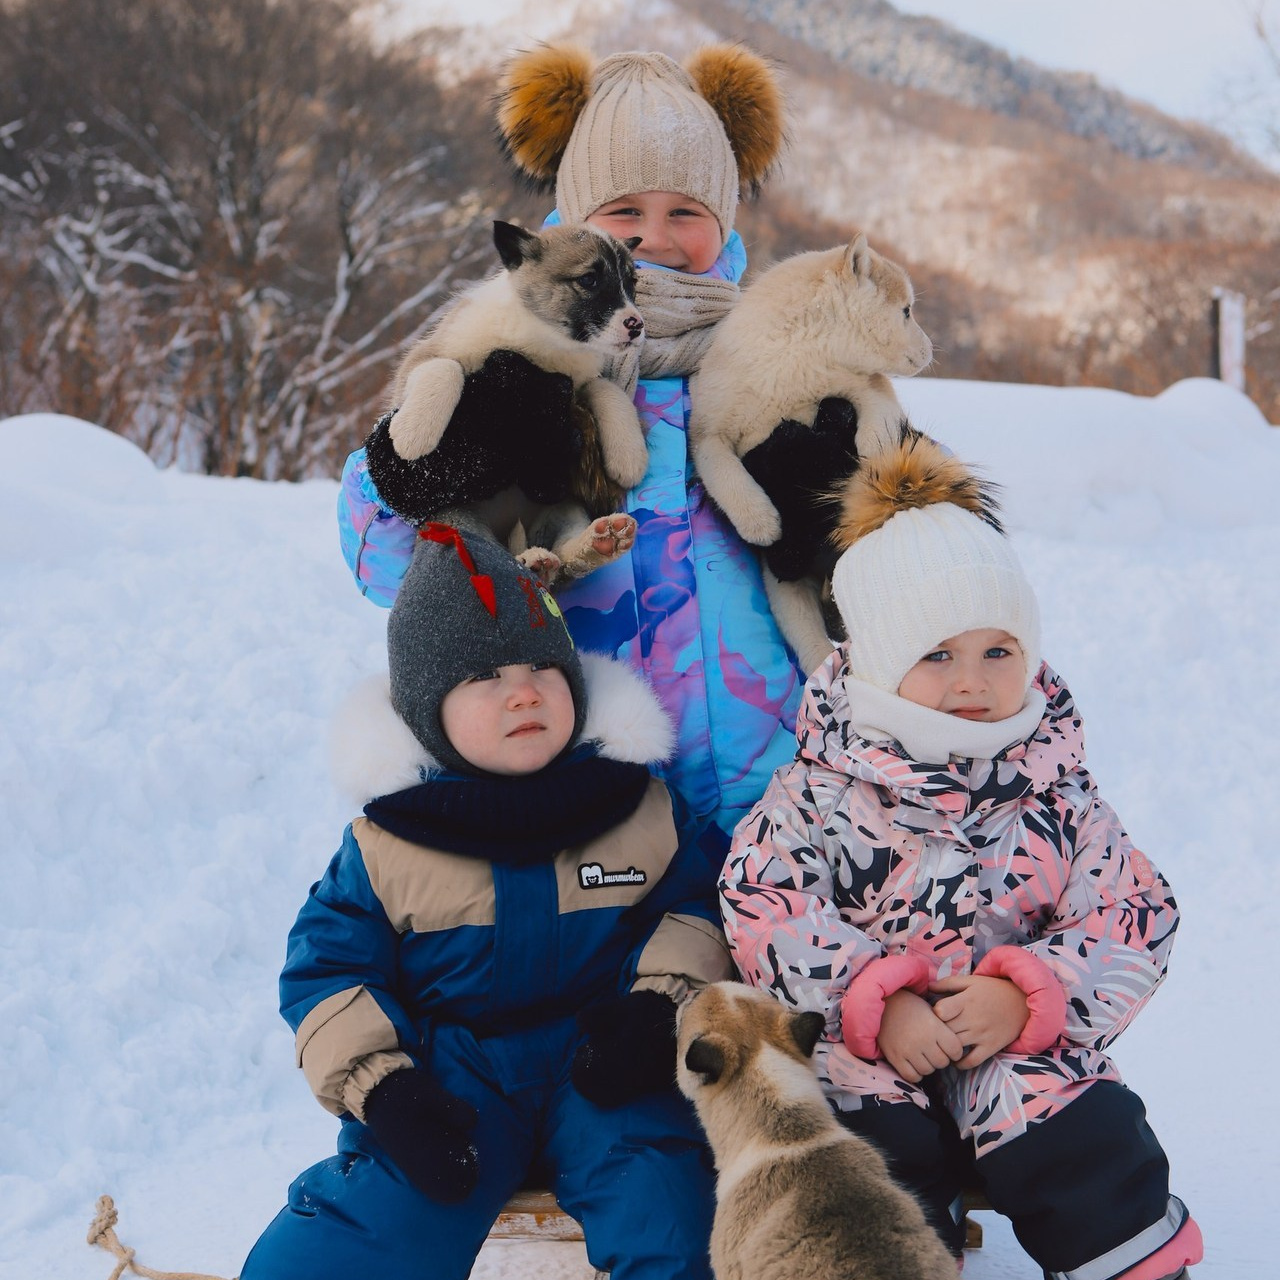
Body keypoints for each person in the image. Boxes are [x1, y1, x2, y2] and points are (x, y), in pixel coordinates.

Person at [719, 430, 1203, 1280]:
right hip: (870, 1053)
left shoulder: (1057, 788)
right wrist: (873, 998)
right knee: (852, 1146)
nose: (972, 681)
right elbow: (765, 902)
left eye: (997, 651)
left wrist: (1029, 996)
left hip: (1011, 1053)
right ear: (874, 661)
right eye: (936, 655)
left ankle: (1129, 1262)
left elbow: (1135, 912)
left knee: (1083, 1127)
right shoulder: (822, 788)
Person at [337, 43, 804, 854]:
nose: (653, 239)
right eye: (624, 210)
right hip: (579, 797)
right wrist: (405, 475)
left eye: (685, 212)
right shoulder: (505, 344)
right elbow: (387, 573)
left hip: (771, 798)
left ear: (724, 219)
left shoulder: (773, 361)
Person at [241, 523, 734, 1280]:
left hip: (605, 1066)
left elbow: (698, 907)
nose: (525, 690)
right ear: (428, 709)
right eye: (485, 676)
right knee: (371, 1227)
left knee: (671, 1207)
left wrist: (660, 1006)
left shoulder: (642, 810)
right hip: (453, 1078)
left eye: (542, 662)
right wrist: (386, 1090)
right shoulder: (386, 845)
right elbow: (328, 973)